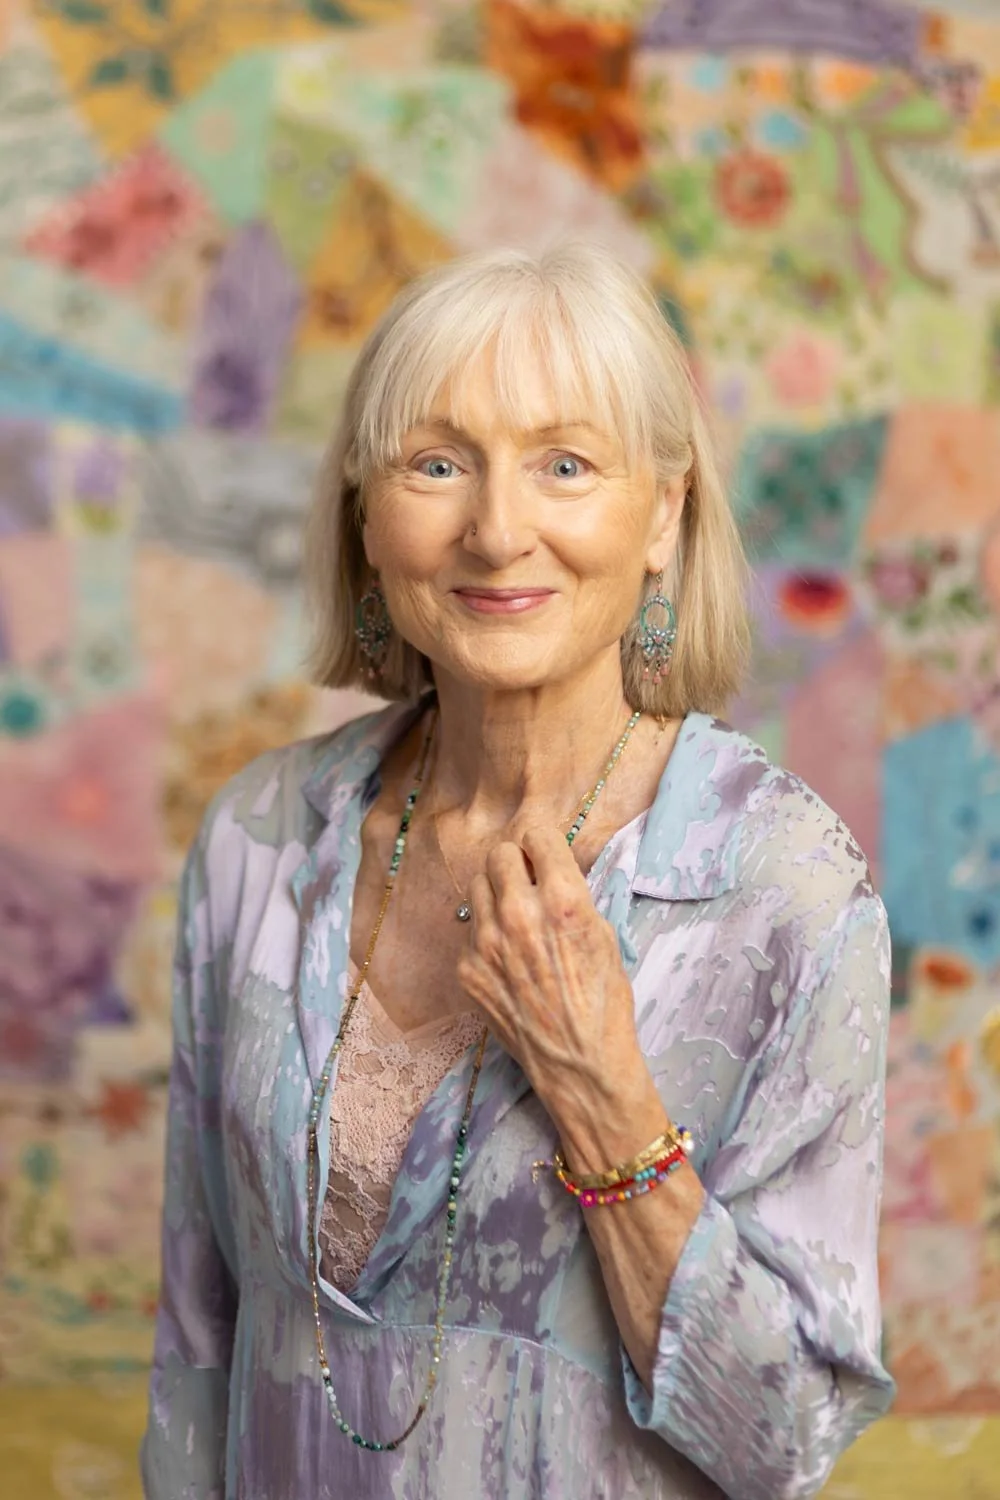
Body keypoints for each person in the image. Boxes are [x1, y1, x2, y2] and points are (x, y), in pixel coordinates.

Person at [141, 243, 895, 1500]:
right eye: (437, 464)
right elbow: (197, 1347)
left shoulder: (784, 893)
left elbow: (786, 1440)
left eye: (566, 466)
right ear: (366, 516)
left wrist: (601, 1093)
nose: (497, 532)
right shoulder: (257, 838)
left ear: (662, 515)